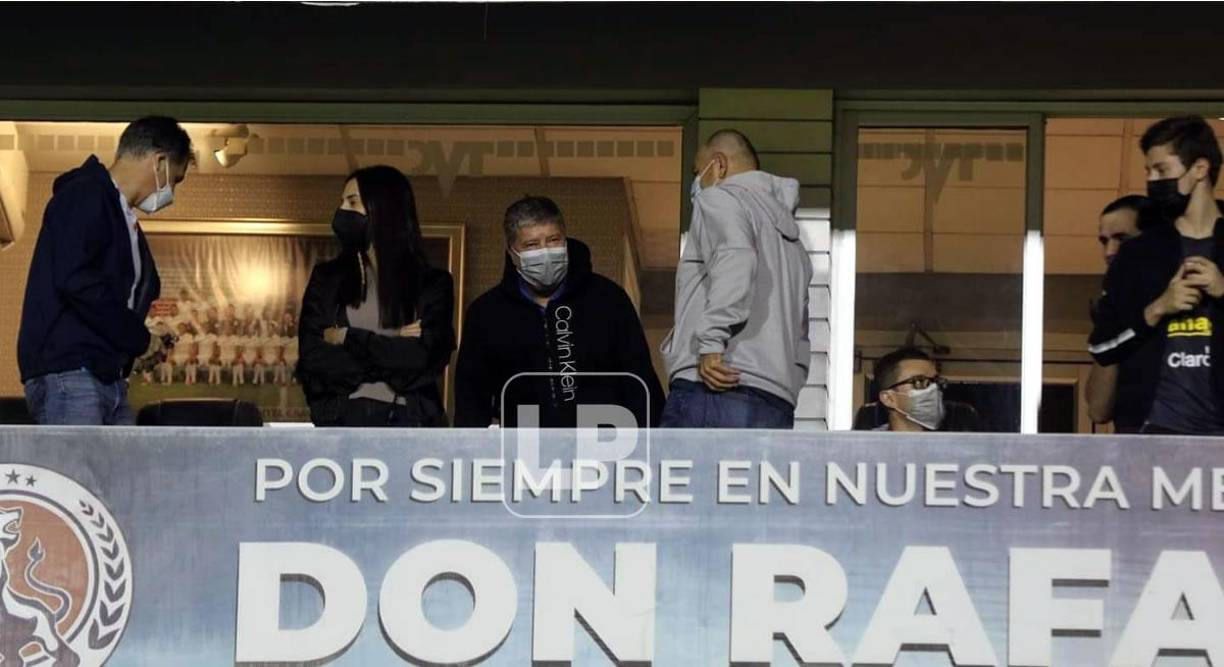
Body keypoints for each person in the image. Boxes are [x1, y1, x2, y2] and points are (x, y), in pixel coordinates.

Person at [17, 116, 192, 425]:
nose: (171, 195)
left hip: (106, 378)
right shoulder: (85, 195)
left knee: (118, 473)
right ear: (159, 162)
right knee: (79, 474)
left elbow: (109, 297)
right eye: (175, 180)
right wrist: (139, 338)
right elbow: (78, 281)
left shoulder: (126, 222)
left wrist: (142, 339)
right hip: (72, 374)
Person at [454, 196, 663, 428]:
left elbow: (640, 381)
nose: (544, 252)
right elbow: (470, 397)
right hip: (523, 450)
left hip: (604, 446)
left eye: (553, 240)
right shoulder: (487, 313)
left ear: (565, 239)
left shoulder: (607, 299)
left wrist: (650, 448)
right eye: (531, 245)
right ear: (512, 252)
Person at [659, 130, 812, 428]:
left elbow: (736, 258)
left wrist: (711, 342)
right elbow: (802, 328)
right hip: (775, 399)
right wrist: (790, 383)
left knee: (693, 474)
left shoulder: (721, 198)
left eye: (696, 171)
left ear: (718, 165)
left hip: (716, 382)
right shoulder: (793, 243)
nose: (697, 180)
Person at [1089, 116, 1224, 435]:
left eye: (1162, 170)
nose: (1152, 181)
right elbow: (1102, 347)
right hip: (1152, 437)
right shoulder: (1138, 255)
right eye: (1148, 172)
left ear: (1199, 169)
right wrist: (1157, 309)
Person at [296, 166, 455, 427]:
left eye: (353, 201)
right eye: (342, 202)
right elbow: (314, 358)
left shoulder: (432, 283)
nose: (342, 210)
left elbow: (424, 360)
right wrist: (393, 345)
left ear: (384, 207)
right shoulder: (327, 278)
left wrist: (350, 337)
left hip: (411, 425)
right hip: (341, 423)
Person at [1086, 195, 1156, 427]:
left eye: (1122, 239)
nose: (1110, 251)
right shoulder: (1112, 310)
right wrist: (1115, 318)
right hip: (1136, 452)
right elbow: (1098, 409)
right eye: (1104, 241)